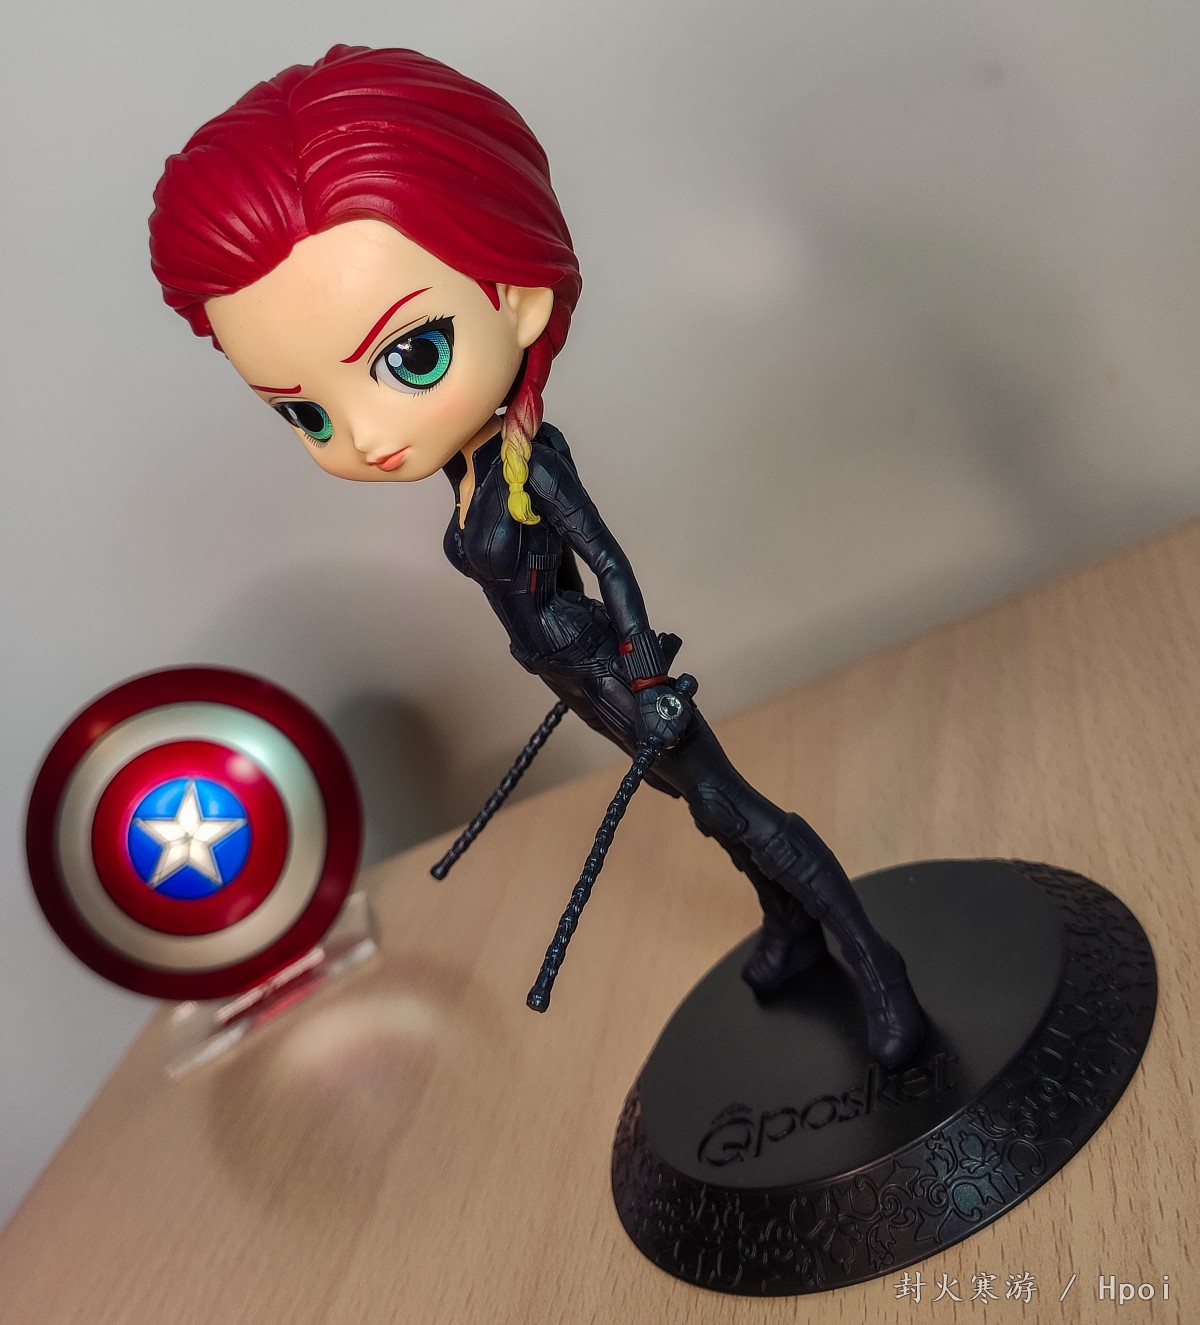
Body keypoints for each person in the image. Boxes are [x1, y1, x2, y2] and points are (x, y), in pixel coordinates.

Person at [149, 45, 924, 1066]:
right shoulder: (462, 463)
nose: (368, 433)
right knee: (707, 810)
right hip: (569, 673)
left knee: (735, 806)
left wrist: (644, 671)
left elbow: (610, 563)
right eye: (307, 412)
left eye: (411, 355)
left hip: (609, 665)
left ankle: (876, 964)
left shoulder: (533, 463)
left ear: (515, 296)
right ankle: (790, 929)